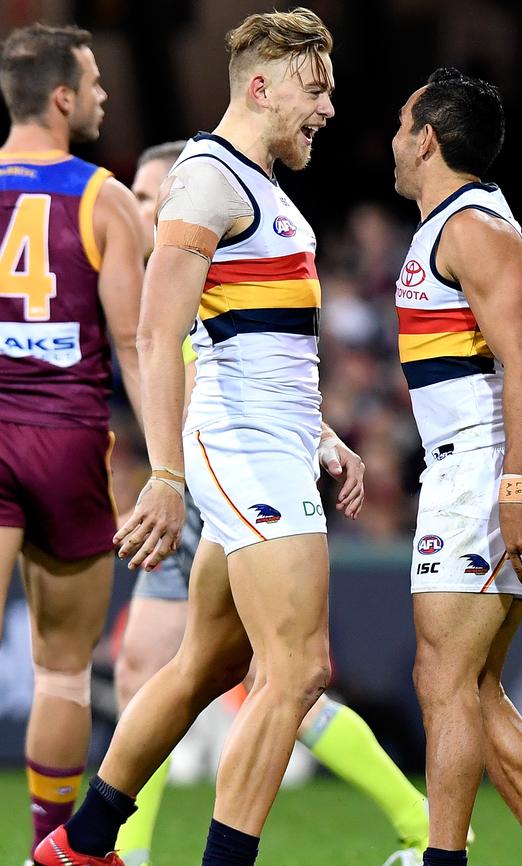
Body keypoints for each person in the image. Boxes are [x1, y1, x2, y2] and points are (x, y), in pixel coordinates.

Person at [35, 10, 364, 866]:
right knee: (297, 672)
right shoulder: (207, 177)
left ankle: (83, 842)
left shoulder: (256, 183)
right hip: (241, 449)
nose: (327, 107)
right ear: (262, 86)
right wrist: (167, 473)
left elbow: (250, 336)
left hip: (274, 440)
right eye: (315, 87)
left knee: (207, 662)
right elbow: (155, 331)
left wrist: (320, 431)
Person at [113, 140, 434, 866]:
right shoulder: (147, 274)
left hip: (214, 484)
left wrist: (167, 472)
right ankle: (118, 848)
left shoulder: (195, 259)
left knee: (271, 675)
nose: (140, 207)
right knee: (196, 669)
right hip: (200, 481)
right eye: (134, 194)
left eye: (150, 194)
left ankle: (412, 815)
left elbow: (231, 377)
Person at [391, 68, 522, 866]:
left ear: (428, 138)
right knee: (469, 686)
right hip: (480, 463)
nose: (393, 140)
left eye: (403, 124)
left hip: (487, 463)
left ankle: (443, 861)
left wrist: (510, 492)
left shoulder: (472, 229)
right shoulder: (456, 223)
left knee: (441, 679)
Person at [0, 23, 144, 865]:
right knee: (61, 669)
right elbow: (139, 346)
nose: (101, 96)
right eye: (92, 83)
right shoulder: (103, 197)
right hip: (66, 437)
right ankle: (49, 852)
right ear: (61, 98)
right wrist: (164, 465)